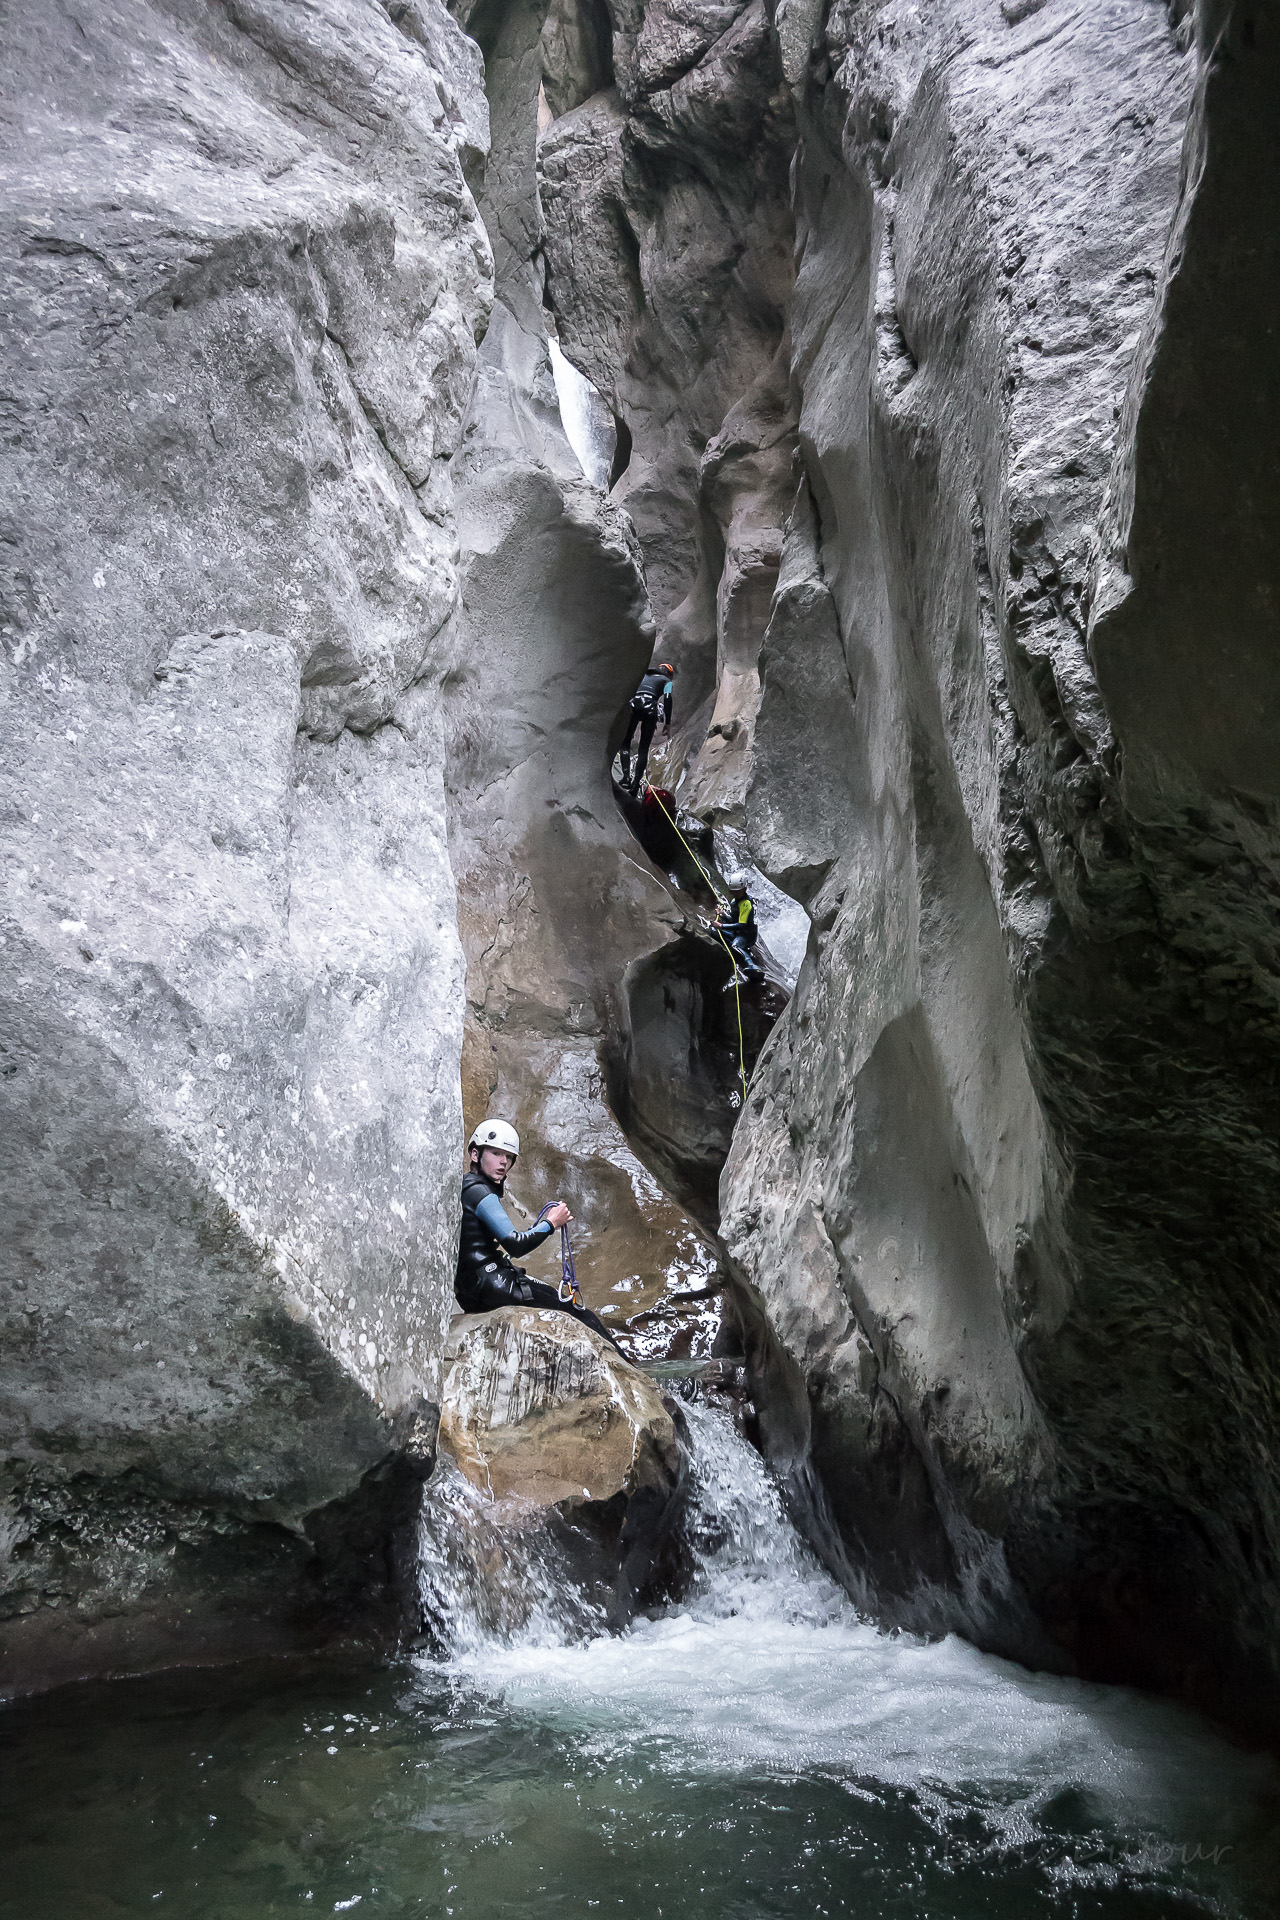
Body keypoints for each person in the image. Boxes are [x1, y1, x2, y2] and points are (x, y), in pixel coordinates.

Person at [456, 1119, 622, 1346]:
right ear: (475, 1154)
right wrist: (551, 1223)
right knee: (577, 1312)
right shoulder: (479, 1192)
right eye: (496, 1153)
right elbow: (515, 1245)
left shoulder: (465, 1187)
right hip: (491, 1284)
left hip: (471, 1289)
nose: (503, 1162)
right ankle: (633, 1372)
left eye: (509, 1157)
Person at [618, 661, 675, 796]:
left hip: (634, 704)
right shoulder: (666, 681)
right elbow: (667, 698)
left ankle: (626, 777)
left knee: (625, 743)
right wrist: (667, 722)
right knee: (643, 748)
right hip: (650, 708)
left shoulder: (642, 675)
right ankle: (635, 785)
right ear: (668, 674)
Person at [713, 874, 764, 988]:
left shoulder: (746, 904)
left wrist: (722, 925)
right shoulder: (734, 902)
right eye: (732, 891)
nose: (734, 894)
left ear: (744, 889)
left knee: (735, 946)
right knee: (714, 932)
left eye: (737, 891)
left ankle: (752, 966)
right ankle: (742, 950)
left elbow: (741, 925)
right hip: (738, 933)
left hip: (747, 936)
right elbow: (733, 919)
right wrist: (723, 915)